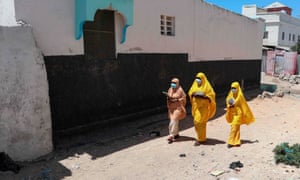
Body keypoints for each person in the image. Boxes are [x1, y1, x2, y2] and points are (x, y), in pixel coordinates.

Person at [188, 72, 216, 146]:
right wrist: (194, 94)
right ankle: (202, 138)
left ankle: (200, 139)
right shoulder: (195, 85)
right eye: (197, 78)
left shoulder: (207, 86)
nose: (197, 80)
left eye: (199, 79)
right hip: (196, 107)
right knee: (198, 123)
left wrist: (204, 96)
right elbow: (190, 92)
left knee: (199, 122)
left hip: (203, 108)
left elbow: (212, 95)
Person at [225, 81, 255, 148]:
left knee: (234, 126)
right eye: (232, 88)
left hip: (238, 114)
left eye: (234, 88)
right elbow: (227, 101)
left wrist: (246, 114)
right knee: (236, 128)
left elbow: (243, 105)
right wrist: (229, 104)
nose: (233, 89)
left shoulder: (240, 96)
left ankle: (230, 142)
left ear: (238, 88)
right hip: (232, 113)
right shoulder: (230, 94)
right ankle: (236, 141)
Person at [166, 78, 187, 144]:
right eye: (172, 82)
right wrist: (169, 98)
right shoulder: (170, 89)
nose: (173, 84)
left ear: (177, 83)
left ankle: (171, 135)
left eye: (174, 83)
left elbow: (184, 98)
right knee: (175, 121)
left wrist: (178, 100)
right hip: (172, 108)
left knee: (173, 120)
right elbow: (168, 96)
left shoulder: (180, 90)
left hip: (178, 108)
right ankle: (176, 134)